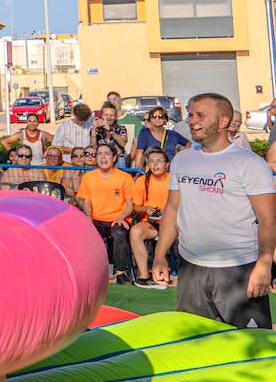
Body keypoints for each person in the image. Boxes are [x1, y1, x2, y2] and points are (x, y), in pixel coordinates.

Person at [152, 93, 276, 328]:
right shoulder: (182, 159)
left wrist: (264, 264)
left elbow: (269, 220)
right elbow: (172, 209)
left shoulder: (249, 163)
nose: (192, 121)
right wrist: (160, 256)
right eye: (190, 115)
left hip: (239, 271)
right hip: (191, 269)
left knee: (250, 348)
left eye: (200, 115)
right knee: (195, 345)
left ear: (223, 122)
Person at [77, 143, 135, 285]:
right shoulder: (89, 177)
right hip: (96, 218)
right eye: (99, 153)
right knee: (84, 234)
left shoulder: (125, 177)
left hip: (117, 218)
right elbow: (86, 201)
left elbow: (129, 205)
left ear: (114, 157)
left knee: (119, 234)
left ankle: (120, 273)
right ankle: (89, 272)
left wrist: (121, 217)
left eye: (107, 154)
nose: (103, 157)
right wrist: (89, 218)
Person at [128, 149, 171, 288]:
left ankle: (168, 275)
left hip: (173, 223)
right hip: (152, 222)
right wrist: (146, 209)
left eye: (159, 160)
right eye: (152, 161)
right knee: (135, 231)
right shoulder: (142, 181)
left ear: (167, 164)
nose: (155, 164)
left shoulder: (174, 180)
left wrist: (168, 211)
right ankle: (144, 276)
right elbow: (135, 207)